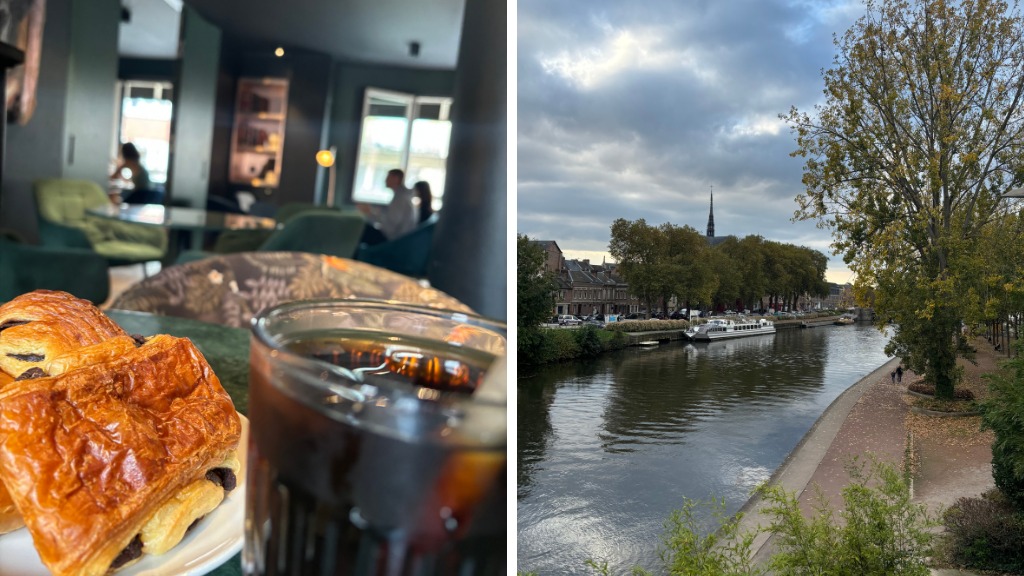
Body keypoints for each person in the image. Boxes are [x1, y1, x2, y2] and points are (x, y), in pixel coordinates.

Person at [357, 168, 418, 245]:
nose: (385, 180)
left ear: (396, 179)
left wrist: (370, 213)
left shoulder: (400, 199)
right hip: (399, 237)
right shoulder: (402, 196)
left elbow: (390, 226)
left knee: (360, 229)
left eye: (388, 177)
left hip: (394, 239)